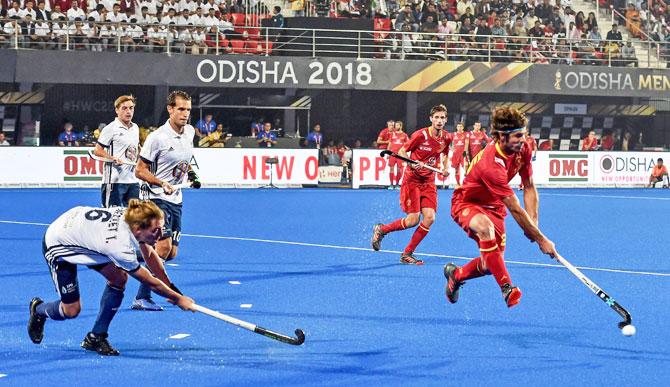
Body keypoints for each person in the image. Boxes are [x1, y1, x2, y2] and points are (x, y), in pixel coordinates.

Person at [28, 200, 196, 356]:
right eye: (155, 230)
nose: (160, 234)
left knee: (119, 278)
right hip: (59, 244)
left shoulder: (133, 218)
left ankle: (96, 336)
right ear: (138, 230)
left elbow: (150, 256)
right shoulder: (118, 246)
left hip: (84, 234)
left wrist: (171, 288)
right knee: (71, 310)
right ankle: (39, 310)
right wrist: (178, 299)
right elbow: (149, 281)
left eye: (160, 227)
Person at [445, 107, 558, 308]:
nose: (523, 140)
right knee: (484, 227)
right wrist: (541, 239)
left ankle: (456, 275)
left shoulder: (523, 148)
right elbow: (514, 207)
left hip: (495, 207)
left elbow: (529, 186)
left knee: (490, 265)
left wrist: (533, 223)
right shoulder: (491, 165)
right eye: (517, 136)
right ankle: (507, 288)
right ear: (501, 137)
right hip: (467, 203)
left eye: (523, 134)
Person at [134, 90, 198, 311]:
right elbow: (139, 171)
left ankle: (136, 255)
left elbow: (185, 160)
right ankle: (142, 297)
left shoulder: (189, 132)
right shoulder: (157, 137)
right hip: (156, 198)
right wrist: (161, 183)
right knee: (162, 248)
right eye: (181, 109)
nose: (185, 114)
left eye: (188, 109)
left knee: (171, 253)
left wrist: (193, 175)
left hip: (176, 198)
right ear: (170, 109)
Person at [371, 105, 453, 265]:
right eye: (436, 117)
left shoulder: (447, 137)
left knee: (430, 218)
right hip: (412, 180)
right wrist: (412, 163)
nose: (439, 121)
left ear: (446, 119)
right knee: (412, 220)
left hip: (429, 181)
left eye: (442, 118)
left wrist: (445, 168)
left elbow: (445, 154)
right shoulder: (420, 135)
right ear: (431, 119)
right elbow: (402, 151)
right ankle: (382, 229)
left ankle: (407, 253)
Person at [94, 95, 140, 208]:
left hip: (133, 181)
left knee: (135, 217)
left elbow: (136, 147)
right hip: (114, 181)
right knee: (111, 217)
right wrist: (112, 158)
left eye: (131, 108)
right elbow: (97, 150)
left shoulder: (136, 128)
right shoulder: (111, 128)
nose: (128, 111)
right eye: (124, 108)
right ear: (117, 110)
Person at [387, 120, 409, 190]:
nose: (395, 127)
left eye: (397, 125)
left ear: (400, 126)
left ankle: (397, 184)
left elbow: (408, 144)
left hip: (400, 155)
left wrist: (404, 152)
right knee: (391, 169)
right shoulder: (392, 134)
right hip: (392, 154)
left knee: (399, 169)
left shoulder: (404, 135)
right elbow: (390, 143)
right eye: (395, 125)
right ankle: (391, 184)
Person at [451, 121, 469, 187]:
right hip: (455, 154)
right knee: (456, 169)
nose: (459, 128)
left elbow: (467, 142)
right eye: (458, 126)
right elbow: (449, 142)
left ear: (463, 127)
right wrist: (451, 148)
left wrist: (465, 151)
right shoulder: (453, 134)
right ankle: (458, 184)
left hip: (463, 153)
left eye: (461, 126)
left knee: (466, 168)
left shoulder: (466, 134)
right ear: (456, 127)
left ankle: (467, 183)